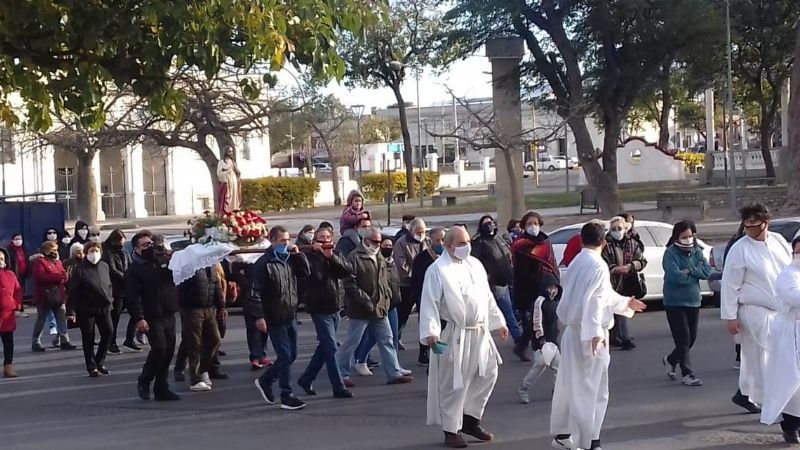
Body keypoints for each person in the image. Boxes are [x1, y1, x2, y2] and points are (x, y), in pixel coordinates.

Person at [549, 221, 647, 450]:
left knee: (570, 385)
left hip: (574, 333)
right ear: (603, 242)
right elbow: (595, 301)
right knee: (592, 389)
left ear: (581, 240)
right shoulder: (598, 265)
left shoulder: (576, 262)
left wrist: (625, 303)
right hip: (590, 335)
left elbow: (601, 296)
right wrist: (594, 334)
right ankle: (590, 440)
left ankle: (564, 434)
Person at [419, 225, 509, 449]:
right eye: (460, 243)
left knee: (488, 373)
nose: (465, 247)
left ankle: (470, 419)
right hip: (456, 333)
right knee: (454, 382)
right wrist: (431, 333)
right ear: (448, 246)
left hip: (480, 331)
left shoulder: (475, 265)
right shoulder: (438, 270)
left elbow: (486, 297)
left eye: (467, 242)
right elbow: (428, 303)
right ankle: (451, 429)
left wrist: (499, 322)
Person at [722, 203, 792, 414]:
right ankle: (779, 403)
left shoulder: (778, 241)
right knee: (772, 356)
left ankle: (744, 394)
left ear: (765, 222)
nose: (750, 226)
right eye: (747, 223)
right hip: (754, 311)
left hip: (782, 309)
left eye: (754, 222)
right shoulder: (740, 249)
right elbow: (730, 284)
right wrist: (730, 316)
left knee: (755, 358)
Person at [338, 227, 413, 387]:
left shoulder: (378, 256)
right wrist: (365, 301)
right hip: (361, 309)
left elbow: (384, 280)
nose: (378, 245)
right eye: (375, 241)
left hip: (379, 308)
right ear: (365, 240)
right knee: (353, 341)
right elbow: (349, 283)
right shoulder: (354, 257)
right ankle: (341, 373)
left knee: (387, 339)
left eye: (379, 241)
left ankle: (393, 373)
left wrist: (385, 299)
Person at [250, 226, 311, 411]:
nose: (285, 244)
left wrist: (298, 255)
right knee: (284, 355)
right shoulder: (264, 264)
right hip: (274, 316)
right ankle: (284, 392)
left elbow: (305, 273)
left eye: (287, 240)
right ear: (273, 240)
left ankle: (272, 383)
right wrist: (259, 316)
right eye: (282, 241)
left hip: (289, 314)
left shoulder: (289, 260)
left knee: (291, 355)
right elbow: (254, 293)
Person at [296, 228, 354, 399]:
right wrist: (319, 255)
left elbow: (347, 270)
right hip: (319, 307)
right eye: (321, 238)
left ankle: (306, 379)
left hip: (335, 306)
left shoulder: (336, 254)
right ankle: (338, 386)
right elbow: (314, 276)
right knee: (331, 347)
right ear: (315, 240)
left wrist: (331, 257)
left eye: (328, 237)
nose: (325, 241)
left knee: (324, 347)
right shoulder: (310, 256)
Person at [126, 231, 180, 401]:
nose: (149, 247)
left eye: (150, 243)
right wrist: (139, 318)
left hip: (168, 312)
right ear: (137, 248)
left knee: (169, 350)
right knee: (159, 349)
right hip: (151, 315)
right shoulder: (135, 269)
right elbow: (132, 297)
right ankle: (145, 380)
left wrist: (170, 260)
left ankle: (161, 387)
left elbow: (173, 279)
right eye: (145, 245)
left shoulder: (161, 262)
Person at [661, 220, 713, 387]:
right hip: (674, 302)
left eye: (690, 236)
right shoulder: (670, 253)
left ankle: (670, 359)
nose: (688, 239)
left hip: (693, 301)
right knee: (683, 338)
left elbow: (707, 272)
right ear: (677, 237)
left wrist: (691, 271)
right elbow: (674, 276)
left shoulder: (697, 252)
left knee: (691, 338)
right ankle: (687, 373)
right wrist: (692, 274)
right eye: (684, 236)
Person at [761, 237, 800, 444]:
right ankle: (790, 426)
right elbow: (795, 298)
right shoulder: (788, 275)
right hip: (789, 331)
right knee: (790, 379)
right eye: (798, 251)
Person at [511, 211, 559, 362]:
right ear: (524, 226)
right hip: (528, 287)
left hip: (547, 285)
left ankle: (542, 347)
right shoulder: (520, 244)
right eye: (530, 224)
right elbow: (519, 269)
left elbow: (551, 263)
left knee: (545, 317)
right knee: (536, 319)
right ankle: (542, 349)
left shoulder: (545, 242)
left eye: (536, 223)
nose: (533, 226)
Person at [353, 237, 405, 372]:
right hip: (374, 304)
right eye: (385, 245)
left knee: (392, 336)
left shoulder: (391, 262)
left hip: (391, 304)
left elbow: (393, 282)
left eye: (390, 245)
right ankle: (360, 360)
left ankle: (395, 368)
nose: (388, 248)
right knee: (365, 338)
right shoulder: (376, 260)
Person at [471, 215, 522, 345]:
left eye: (491, 222)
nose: (490, 225)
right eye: (486, 223)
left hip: (505, 282)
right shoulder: (479, 243)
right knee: (500, 314)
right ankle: (519, 342)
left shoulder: (499, 240)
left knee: (510, 313)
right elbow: (475, 262)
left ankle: (520, 342)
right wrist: (487, 276)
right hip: (491, 285)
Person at [66, 242, 114, 377]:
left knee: (109, 332)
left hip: (104, 306)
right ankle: (91, 366)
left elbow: (108, 284)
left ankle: (100, 361)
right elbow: (73, 291)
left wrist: (111, 300)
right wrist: (71, 311)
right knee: (88, 337)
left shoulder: (104, 266)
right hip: (86, 309)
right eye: (92, 251)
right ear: (87, 253)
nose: (95, 253)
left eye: (97, 250)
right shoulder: (80, 269)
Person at [175, 265, 225, 392]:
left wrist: (221, 307)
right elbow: (180, 287)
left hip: (209, 308)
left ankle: (203, 369)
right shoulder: (188, 266)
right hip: (192, 309)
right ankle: (196, 379)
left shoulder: (212, 266)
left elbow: (216, 286)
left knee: (215, 339)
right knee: (195, 344)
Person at [601, 216, 647, 351]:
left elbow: (642, 261)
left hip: (628, 282)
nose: (617, 231)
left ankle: (620, 337)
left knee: (622, 309)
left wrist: (631, 266)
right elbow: (602, 262)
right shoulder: (606, 245)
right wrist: (615, 269)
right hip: (611, 282)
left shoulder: (632, 243)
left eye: (619, 228)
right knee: (615, 310)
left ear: (625, 229)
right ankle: (622, 338)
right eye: (614, 229)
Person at [517, 272, 562, 404]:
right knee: (539, 365)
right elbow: (537, 321)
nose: (553, 290)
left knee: (557, 367)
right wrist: (541, 339)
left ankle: (557, 391)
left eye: (555, 287)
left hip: (553, 342)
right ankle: (523, 388)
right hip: (542, 342)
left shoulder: (552, 302)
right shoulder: (539, 302)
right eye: (550, 287)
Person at [411, 226, 446, 367]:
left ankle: (441, 355)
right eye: (437, 240)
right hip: (426, 297)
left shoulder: (448, 257)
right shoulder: (422, 259)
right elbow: (416, 280)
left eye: (443, 239)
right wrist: (420, 298)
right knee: (428, 326)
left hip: (444, 299)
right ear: (431, 240)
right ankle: (425, 353)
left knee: (443, 328)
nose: (441, 243)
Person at [30, 241, 74, 352]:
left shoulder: (58, 262)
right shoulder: (40, 262)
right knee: (41, 319)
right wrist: (58, 277)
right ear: (46, 251)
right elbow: (40, 277)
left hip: (59, 295)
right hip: (45, 296)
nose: (56, 252)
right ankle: (36, 342)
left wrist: (65, 276)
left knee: (62, 319)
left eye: (56, 250)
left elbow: (63, 275)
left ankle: (65, 340)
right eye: (53, 250)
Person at [393, 217, 428, 347]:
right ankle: (395, 338)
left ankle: (424, 346)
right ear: (411, 231)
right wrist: (415, 275)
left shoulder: (427, 242)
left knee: (424, 315)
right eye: (418, 232)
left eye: (423, 231)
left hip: (422, 285)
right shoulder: (401, 243)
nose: (421, 235)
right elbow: (401, 265)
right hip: (406, 284)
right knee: (403, 314)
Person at [232, 261, 272, 370]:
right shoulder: (247, 254)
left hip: (265, 292)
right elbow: (235, 269)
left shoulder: (265, 252)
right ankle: (255, 356)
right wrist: (246, 283)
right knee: (252, 326)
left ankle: (262, 354)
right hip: (250, 294)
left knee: (265, 326)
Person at [102, 230, 136, 355]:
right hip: (116, 290)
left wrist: (131, 277)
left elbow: (131, 265)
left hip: (127, 288)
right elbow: (112, 270)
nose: (121, 244)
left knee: (136, 313)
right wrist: (126, 277)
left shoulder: (125, 251)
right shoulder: (108, 253)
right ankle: (111, 342)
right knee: (115, 317)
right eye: (119, 242)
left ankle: (130, 339)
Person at [0, 248, 23, 378]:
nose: (0, 261)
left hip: (7, 315)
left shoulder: (10, 274)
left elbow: (18, 291)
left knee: (8, 342)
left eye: (2, 259)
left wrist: (17, 304)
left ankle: (8, 366)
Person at [216, 145, 242, 214]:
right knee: (228, 197)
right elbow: (219, 173)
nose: (231, 153)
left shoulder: (232, 162)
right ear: (226, 152)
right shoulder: (221, 162)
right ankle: (227, 212)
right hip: (227, 181)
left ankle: (234, 210)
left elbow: (237, 171)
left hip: (233, 180)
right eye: (229, 151)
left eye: (232, 151)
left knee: (234, 196)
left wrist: (238, 173)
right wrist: (227, 171)